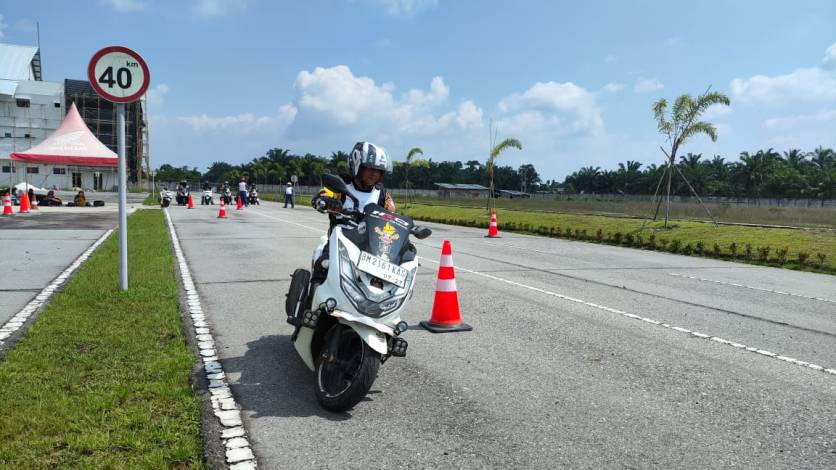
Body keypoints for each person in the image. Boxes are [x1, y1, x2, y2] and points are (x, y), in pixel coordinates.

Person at [310, 142, 396, 282]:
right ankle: (311, 300)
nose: (374, 173)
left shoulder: (382, 193)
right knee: (323, 266)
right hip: (340, 242)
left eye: (378, 170)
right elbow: (321, 197)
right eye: (369, 168)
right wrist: (327, 201)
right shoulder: (341, 185)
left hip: (370, 247)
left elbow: (392, 216)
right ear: (357, 166)